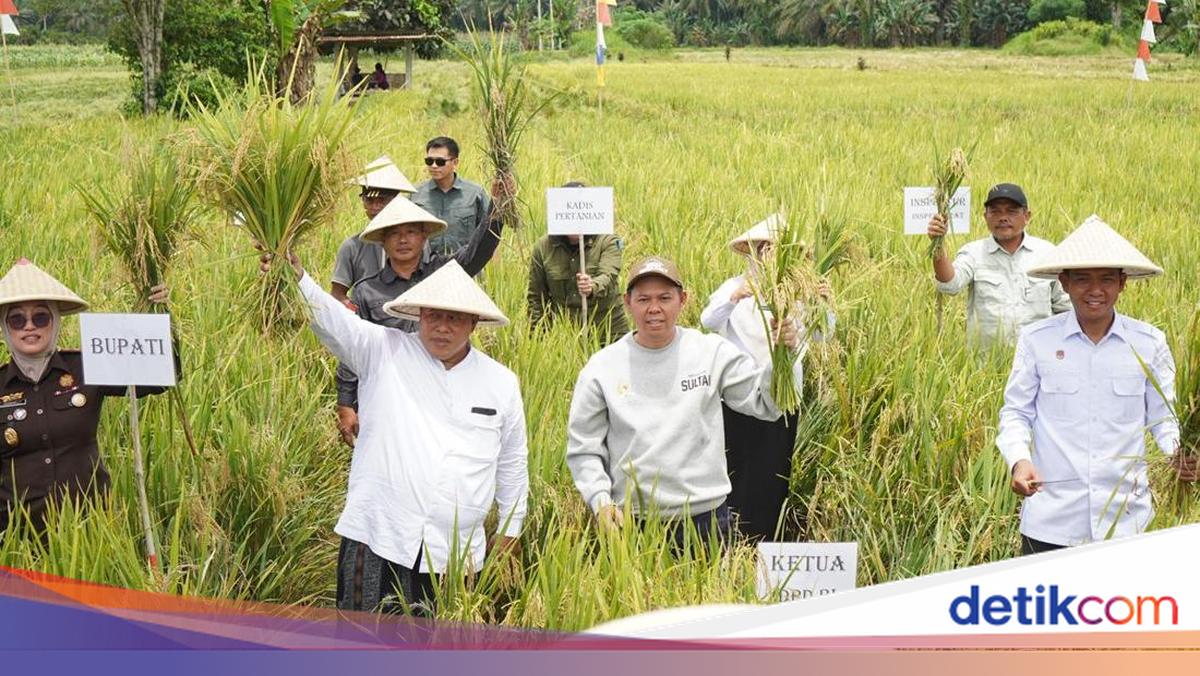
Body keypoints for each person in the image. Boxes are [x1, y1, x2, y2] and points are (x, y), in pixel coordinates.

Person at [279, 253, 527, 614]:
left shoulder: (501, 383)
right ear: (420, 316)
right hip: (380, 535)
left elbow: (512, 461)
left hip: (454, 552)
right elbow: (332, 321)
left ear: (473, 323)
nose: (442, 327)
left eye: (454, 318)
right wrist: (296, 276)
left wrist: (511, 528)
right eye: (434, 315)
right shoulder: (383, 350)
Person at [565, 255, 801, 549]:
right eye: (643, 299)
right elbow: (583, 447)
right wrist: (600, 499)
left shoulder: (711, 352)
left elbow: (767, 404)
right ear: (627, 302)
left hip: (706, 521)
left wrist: (784, 355)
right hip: (633, 523)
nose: (654, 308)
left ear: (683, 299)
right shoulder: (602, 367)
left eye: (665, 297)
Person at [996, 215, 1196, 555]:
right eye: (1083, 279)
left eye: (1106, 279)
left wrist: (1181, 453)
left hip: (1126, 521)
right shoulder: (1037, 341)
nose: (1095, 290)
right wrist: (1019, 461)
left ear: (1122, 283)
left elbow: (1164, 418)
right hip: (1051, 520)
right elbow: (1016, 412)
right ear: (1064, 282)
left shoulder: (1148, 342)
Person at [0, 259, 172, 532]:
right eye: (17, 319)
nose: (29, 326)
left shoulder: (87, 366)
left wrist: (161, 313)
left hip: (90, 529)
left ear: (54, 321)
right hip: (16, 537)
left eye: (41, 317)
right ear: (6, 328)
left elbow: (159, 376)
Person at [334, 188, 506, 448]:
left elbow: (477, 253)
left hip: (440, 390)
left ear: (424, 237)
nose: (403, 240)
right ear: (383, 241)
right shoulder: (366, 291)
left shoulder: (442, 273)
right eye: (394, 234)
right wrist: (346, 403)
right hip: (388, 396)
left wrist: (499, 206)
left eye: (411, 232)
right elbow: (354, 349)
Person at [700, 214, 831, 540]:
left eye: (777, 247)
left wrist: (823, 304)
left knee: (773, 470)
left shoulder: (802, 292)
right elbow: (708, 320)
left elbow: (824, 334)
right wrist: (736, 296)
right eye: (764, 247)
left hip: (784, 395)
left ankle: (765, 538)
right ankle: (730, 536)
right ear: (753, 251)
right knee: (736, 466)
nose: (769, 253)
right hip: (737, 396)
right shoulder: (735, 285)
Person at [928, 183, 1070, 348]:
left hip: (1037, 362)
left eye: (1012, 211)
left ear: (1027, 216)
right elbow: (950, 285)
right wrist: (938, 243)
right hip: (985, 366)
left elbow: (1065, 308)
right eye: (995, 211)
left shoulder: (1047, 253)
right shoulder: (973, 253)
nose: (1003, 217)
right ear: (985, 217)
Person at [526, 182, 628, 343]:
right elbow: (537, 298)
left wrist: (592, 286)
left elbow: (609, 275)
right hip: (567, 334)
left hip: (608, 330)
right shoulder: (543, 247)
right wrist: (537, 339)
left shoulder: (608, 241)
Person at [330, 156, 418, 307]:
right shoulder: (352, 246)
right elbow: (338, 294)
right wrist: (354, 311)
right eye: (369, 200)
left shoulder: (416, 242)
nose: (375, 206)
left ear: (396, 201)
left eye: (382, 200)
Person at [411, 137, 493, 261]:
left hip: (465, 268)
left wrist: (495, 273)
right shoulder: (416, 195)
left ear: (455, 163)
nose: (434, 166)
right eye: (429, 161)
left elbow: (490, 234)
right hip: (426, 270)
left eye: (440, 162)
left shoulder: (475, 194)